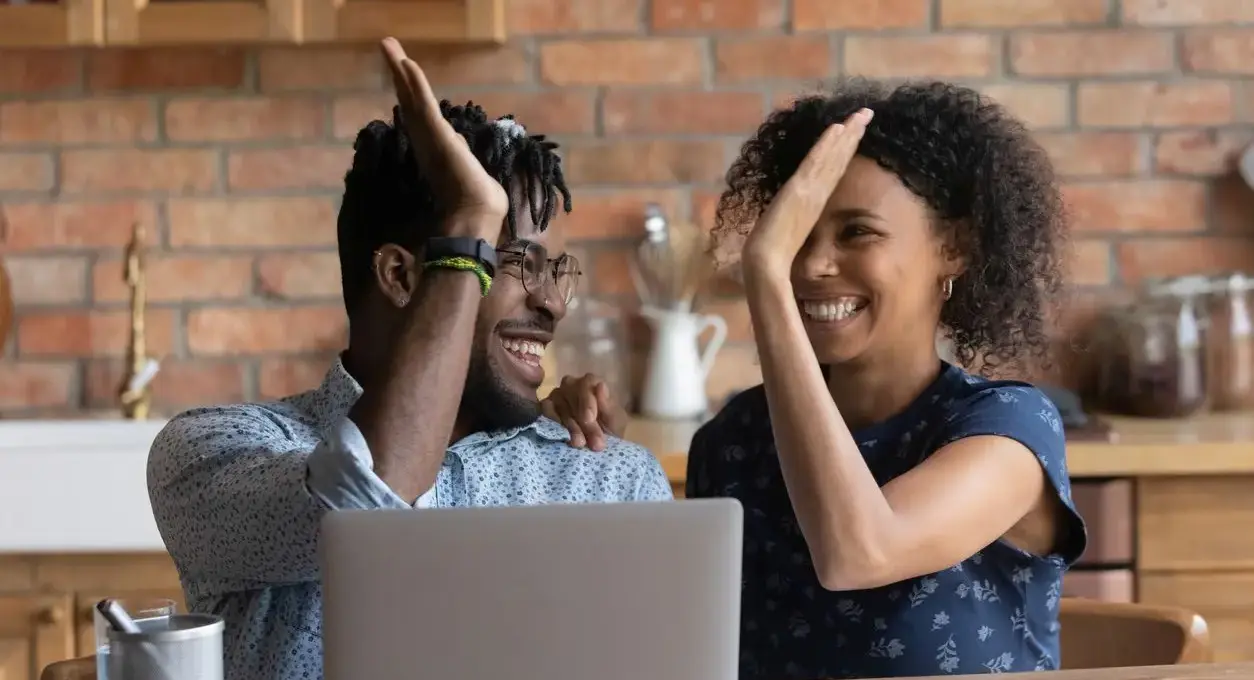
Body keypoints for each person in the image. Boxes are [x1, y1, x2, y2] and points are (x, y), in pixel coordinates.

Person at [147, 39, 671, 680]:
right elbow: (369, 503)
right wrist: (471, 221)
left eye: (552, 268)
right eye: (512, 262)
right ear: (401, 275)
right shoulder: (217, 454)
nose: (553, 304)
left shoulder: (609, 479)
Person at [545, 79, 1088, 679]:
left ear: (953, 247)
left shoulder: (1008, 432)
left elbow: (859, 552)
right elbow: (671, 645)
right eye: (797, 235)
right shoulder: (734, 441)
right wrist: (592, 458)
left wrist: (767, 274)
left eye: (857, 232)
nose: (811, 265)